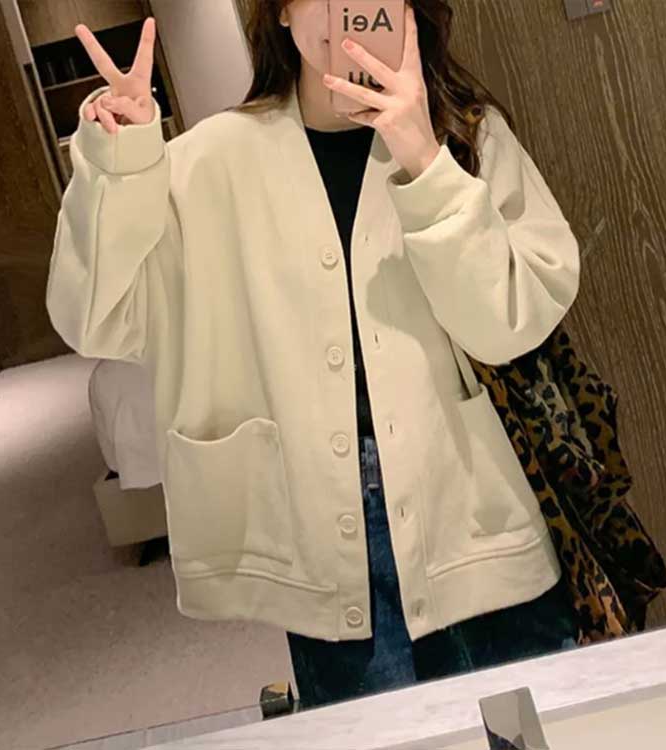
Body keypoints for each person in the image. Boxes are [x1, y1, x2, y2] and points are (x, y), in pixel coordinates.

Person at [47, 1, 581, 711]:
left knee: (524, 726)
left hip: (477, 516)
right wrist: (120, 165)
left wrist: (425, 160)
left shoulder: (466, 133)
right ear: (282, 11)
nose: (342, 11)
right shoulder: (208, 162)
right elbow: (95, 320)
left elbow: (512, 323)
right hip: (319, 530)